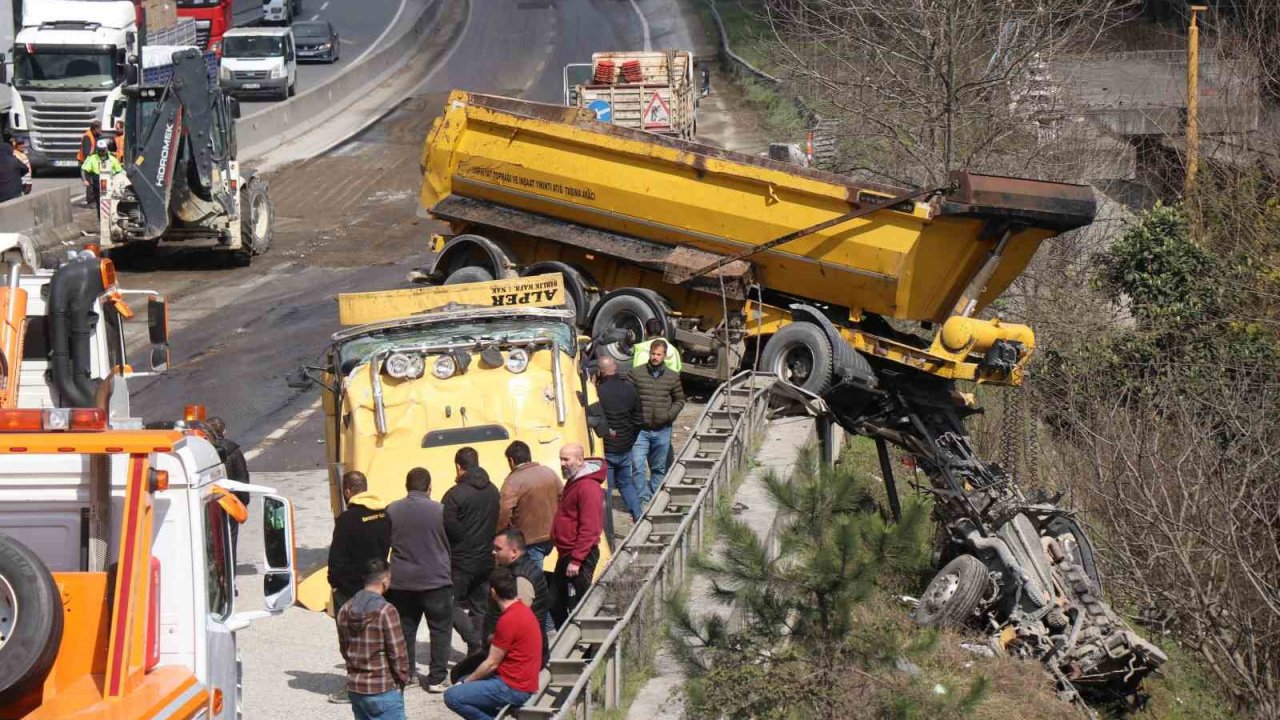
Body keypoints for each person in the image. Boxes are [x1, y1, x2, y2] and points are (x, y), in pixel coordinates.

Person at [385, 467, 454, 693]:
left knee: (405, 630)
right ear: (429, 487)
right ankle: (437, 678)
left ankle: (407, 675)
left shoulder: (392, 510)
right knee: (440, 630)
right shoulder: (441, 510)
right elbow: (455, 540)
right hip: (436, 581)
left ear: (407, 487)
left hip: (402, 582)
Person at [327, 470, 392, 704]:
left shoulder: (347, 520)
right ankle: (383, 680)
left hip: (351, 590)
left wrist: (336, 585)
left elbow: (336, 560)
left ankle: (355, 685)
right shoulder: (384, 514)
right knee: (379, 638)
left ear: (347, 491)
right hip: (379, 586)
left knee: (351, 641)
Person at [443, 567, 540, 720]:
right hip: (524, 682)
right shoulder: (523, 610)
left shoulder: (508, 619)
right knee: (463, 678)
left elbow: (491, 663)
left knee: (452, 696)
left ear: (493, 592)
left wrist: (465, 683)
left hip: (512, 687)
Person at [444, 447, 501, 658]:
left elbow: (447, 527)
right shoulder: (493, 489)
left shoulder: (454, 495)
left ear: (459, 467)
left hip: (460, 561)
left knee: (447, 602)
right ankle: (479, 649)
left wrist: (461, 541)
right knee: (480, 606)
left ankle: (472, 639)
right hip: (486, 558)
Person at [337, 558, 409, 720]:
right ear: (385, 580)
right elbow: (398, 653)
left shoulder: (345, 609)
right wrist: (402, 679)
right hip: (382, 689)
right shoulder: (386, 610)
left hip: (356, 689)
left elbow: (344, 649)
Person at [586, 355, 644, 536]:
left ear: (600, 372)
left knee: (606, 491)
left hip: (607, 448)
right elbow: (639, 419)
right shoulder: (630, 389)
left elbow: (594, 419)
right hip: (626, 445)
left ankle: (606, 530)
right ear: (616, 367)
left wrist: (591, 385)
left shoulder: (598, 393)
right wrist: (630, 439)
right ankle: (639, 516)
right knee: (626, 484)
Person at [549, 443, 605, 627]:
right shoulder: (575, 481)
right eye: (561, 459)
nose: (562, 463)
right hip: (568, 552)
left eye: (566, 459)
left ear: (580, 460)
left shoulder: (587, 487)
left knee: (581, 604)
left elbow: (590, 527)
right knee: (556, 602)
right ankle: (568, 639)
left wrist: (577, 559)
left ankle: (587, 646)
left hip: (578, 554)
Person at [628, 339, 685, 507]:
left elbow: (680, 400)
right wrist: (633, 418)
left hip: (662, 430)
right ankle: (642, 501)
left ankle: (654, 499)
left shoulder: (672, 377)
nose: (655, 357)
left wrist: (669, 415)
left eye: (658, 354)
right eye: (653, 354)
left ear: (664, 356)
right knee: (638, 466)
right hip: (640, 431)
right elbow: (627, 397)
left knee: (658, 468)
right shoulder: (636, 374)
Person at [496, 440, 561, 568]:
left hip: (529, 540)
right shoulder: (549, 472)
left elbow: (504, 511)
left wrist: (500, 534)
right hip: (553, 535)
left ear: (511, 460)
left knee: (532, 579)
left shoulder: (513, 481)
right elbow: (563, 497)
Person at [489, 528, 550, 661]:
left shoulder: (521, 578)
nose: (493, 552)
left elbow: (517, 624)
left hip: (519, 658)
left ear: (514, 552)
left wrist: (494, 639)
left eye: (498, 549)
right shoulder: (517, 570)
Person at [207, 417, 251, 551]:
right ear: (224, 431)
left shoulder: (205, 451)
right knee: (230, 540)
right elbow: (242, 478)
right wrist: (242, 502)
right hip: (230, 501)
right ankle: (228, 568)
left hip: (209, 503)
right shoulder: (234, 451)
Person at [81, 138, 124, 211]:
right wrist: (85, 180)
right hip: (97, 183)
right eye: (100, 150)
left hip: (111, 183)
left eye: (103, 150)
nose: (101, 152)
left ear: (106, 149)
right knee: (99, 204)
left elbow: (119, 171)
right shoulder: (92, 158)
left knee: (112, 204)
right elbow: (83, 169)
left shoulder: (112, 158)